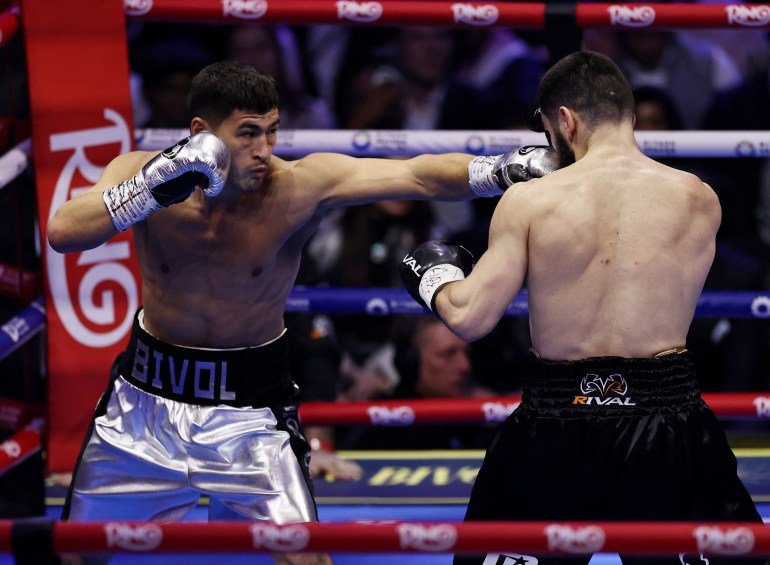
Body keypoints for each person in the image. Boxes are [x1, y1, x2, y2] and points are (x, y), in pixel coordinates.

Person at [46, 61, 557, 565]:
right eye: (247, 134)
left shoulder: (296, 187)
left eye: (271, 132)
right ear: (200, 132)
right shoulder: (141, 172)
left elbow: (415, 174)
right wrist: (156, 185)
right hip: (141, 404)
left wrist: (498, 170)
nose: (263, 150)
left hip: (250, 414)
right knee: (74, 554)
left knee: (306, 559)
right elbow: (65, 233)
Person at [400, 51, 766, 565]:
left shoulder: (531, 201)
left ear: (564, 121)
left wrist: (432, 274)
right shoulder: (699, 198)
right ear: (631, 117)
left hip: (556, 419)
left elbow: (469, 317)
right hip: (667, 420)